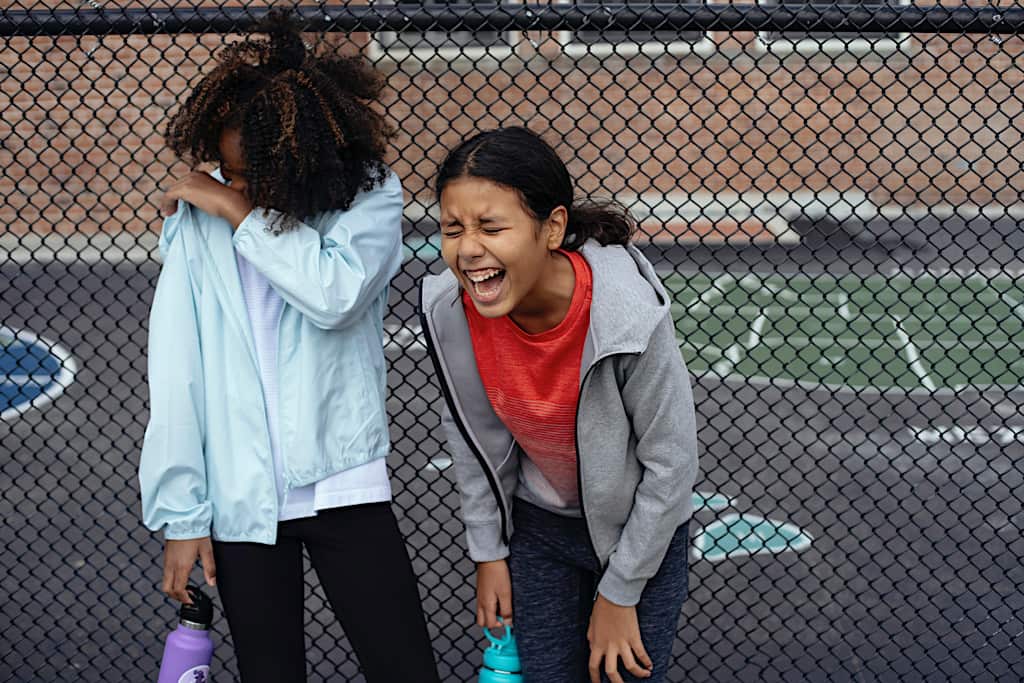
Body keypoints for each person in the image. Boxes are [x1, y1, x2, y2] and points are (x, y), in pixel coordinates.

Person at [138, 13, 439, 682]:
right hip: (242, 495)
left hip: (342, 481)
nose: (232, 184)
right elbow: (177, 370)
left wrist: (240, 214)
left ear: (299, 160)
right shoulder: (199, 216)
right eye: (227, 172)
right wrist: (183, 513)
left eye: (252, 177)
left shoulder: (366, 194)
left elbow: (335, 294)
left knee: (405, 668)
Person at [420, 126, 699, 683]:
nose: (468, 248)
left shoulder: (627, 315)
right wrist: (489, 552)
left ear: (552, 227)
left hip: (636, 537)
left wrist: (619, 595)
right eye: (453, 229)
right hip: (539, 531)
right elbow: (471, 442)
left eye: (491, 226)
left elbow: (672, 466)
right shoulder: (451, 311)